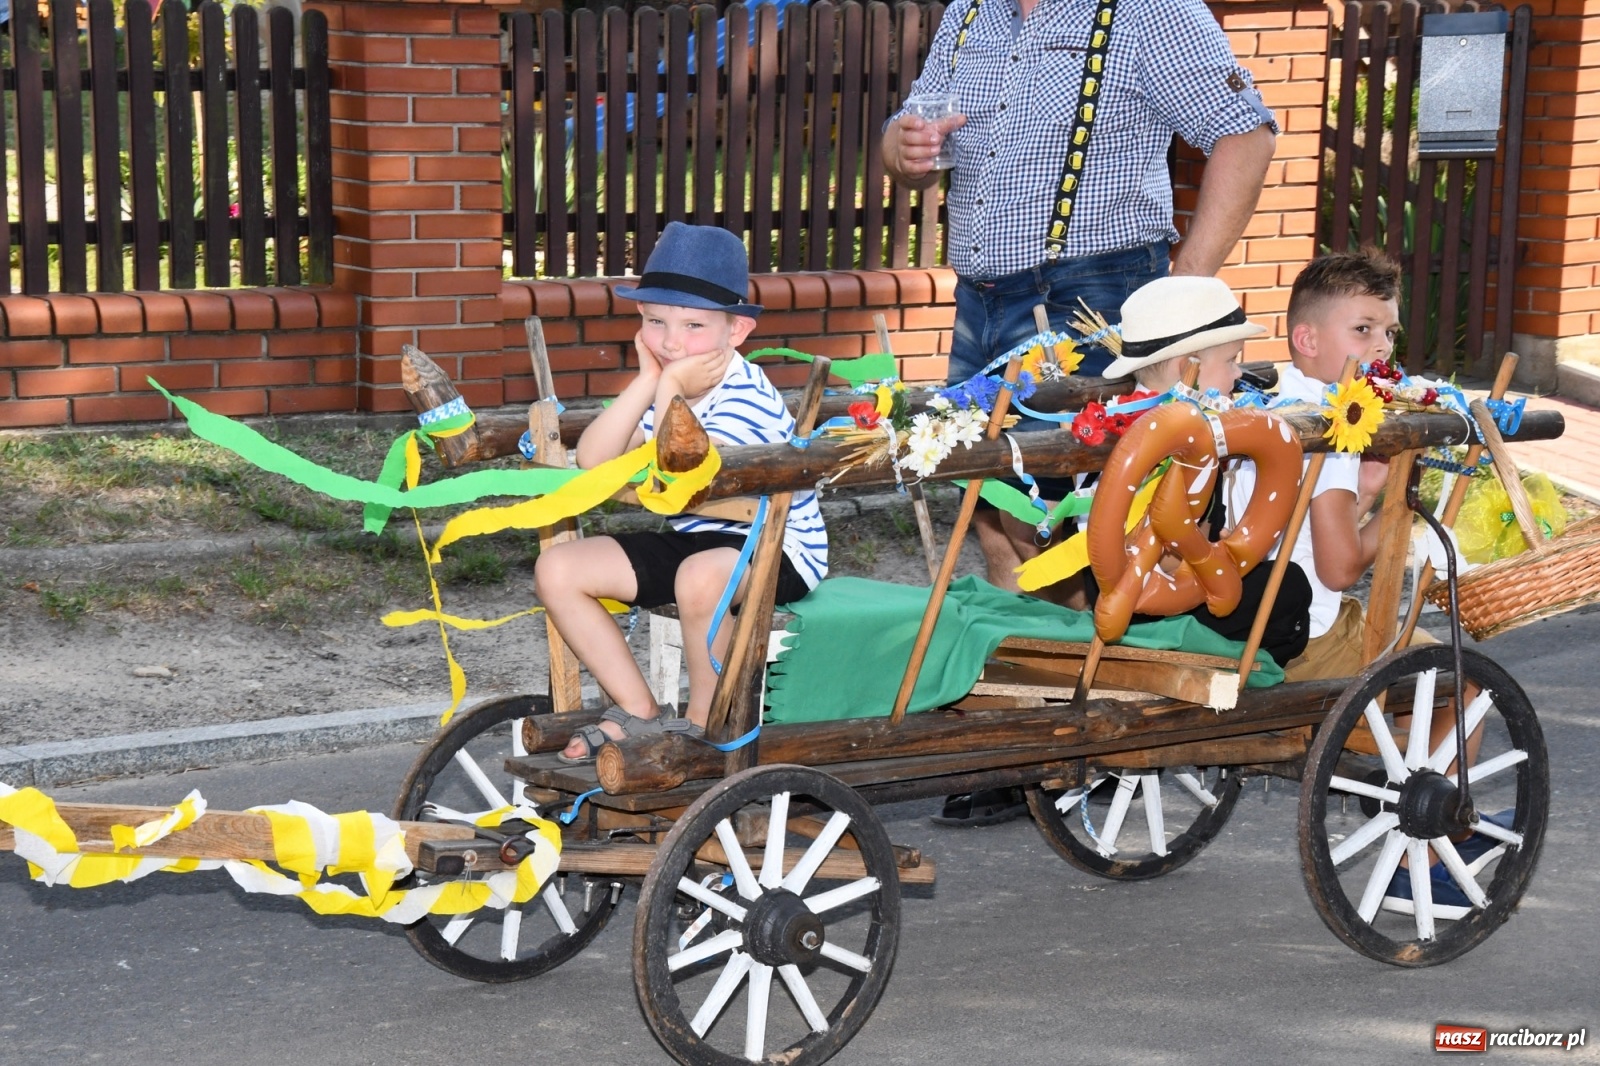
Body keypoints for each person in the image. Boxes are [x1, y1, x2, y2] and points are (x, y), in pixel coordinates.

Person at [886, 0, 1278, 826]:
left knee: (1084, 519)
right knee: (994, 509)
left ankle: (1082, 727)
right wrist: (902, 148)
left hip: (1096, 290)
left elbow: (1245, 133)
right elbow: (911, 142)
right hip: (985, 296)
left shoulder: (1146, 11)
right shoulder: (969, 14)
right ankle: (1025, 719)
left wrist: (1183, 294)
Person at [535, 223, 828, 763]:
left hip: (776, 547)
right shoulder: (671, 381)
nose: (671, 342)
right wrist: (649, 381)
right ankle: (641, 709)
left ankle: (705, 725)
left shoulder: (744, 396)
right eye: (655, 322)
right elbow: (595, 460)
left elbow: (681, 468)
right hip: (705, 539)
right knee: (559, 569)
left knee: (699, 577)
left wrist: (669, 387)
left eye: (693, 325)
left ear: (736, 331)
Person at [1097, 275, 1312, 665]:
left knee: (1274, 587)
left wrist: (1212, 547)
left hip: (1135, 594)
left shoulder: (1120, 424)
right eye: (1231, 361)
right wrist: (1204, 553)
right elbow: (1155, 556)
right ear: (1188, 368)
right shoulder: (1170, 441)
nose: (1237, 375)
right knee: (1290, 587)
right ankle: (1199, 658)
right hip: (1149, 606)